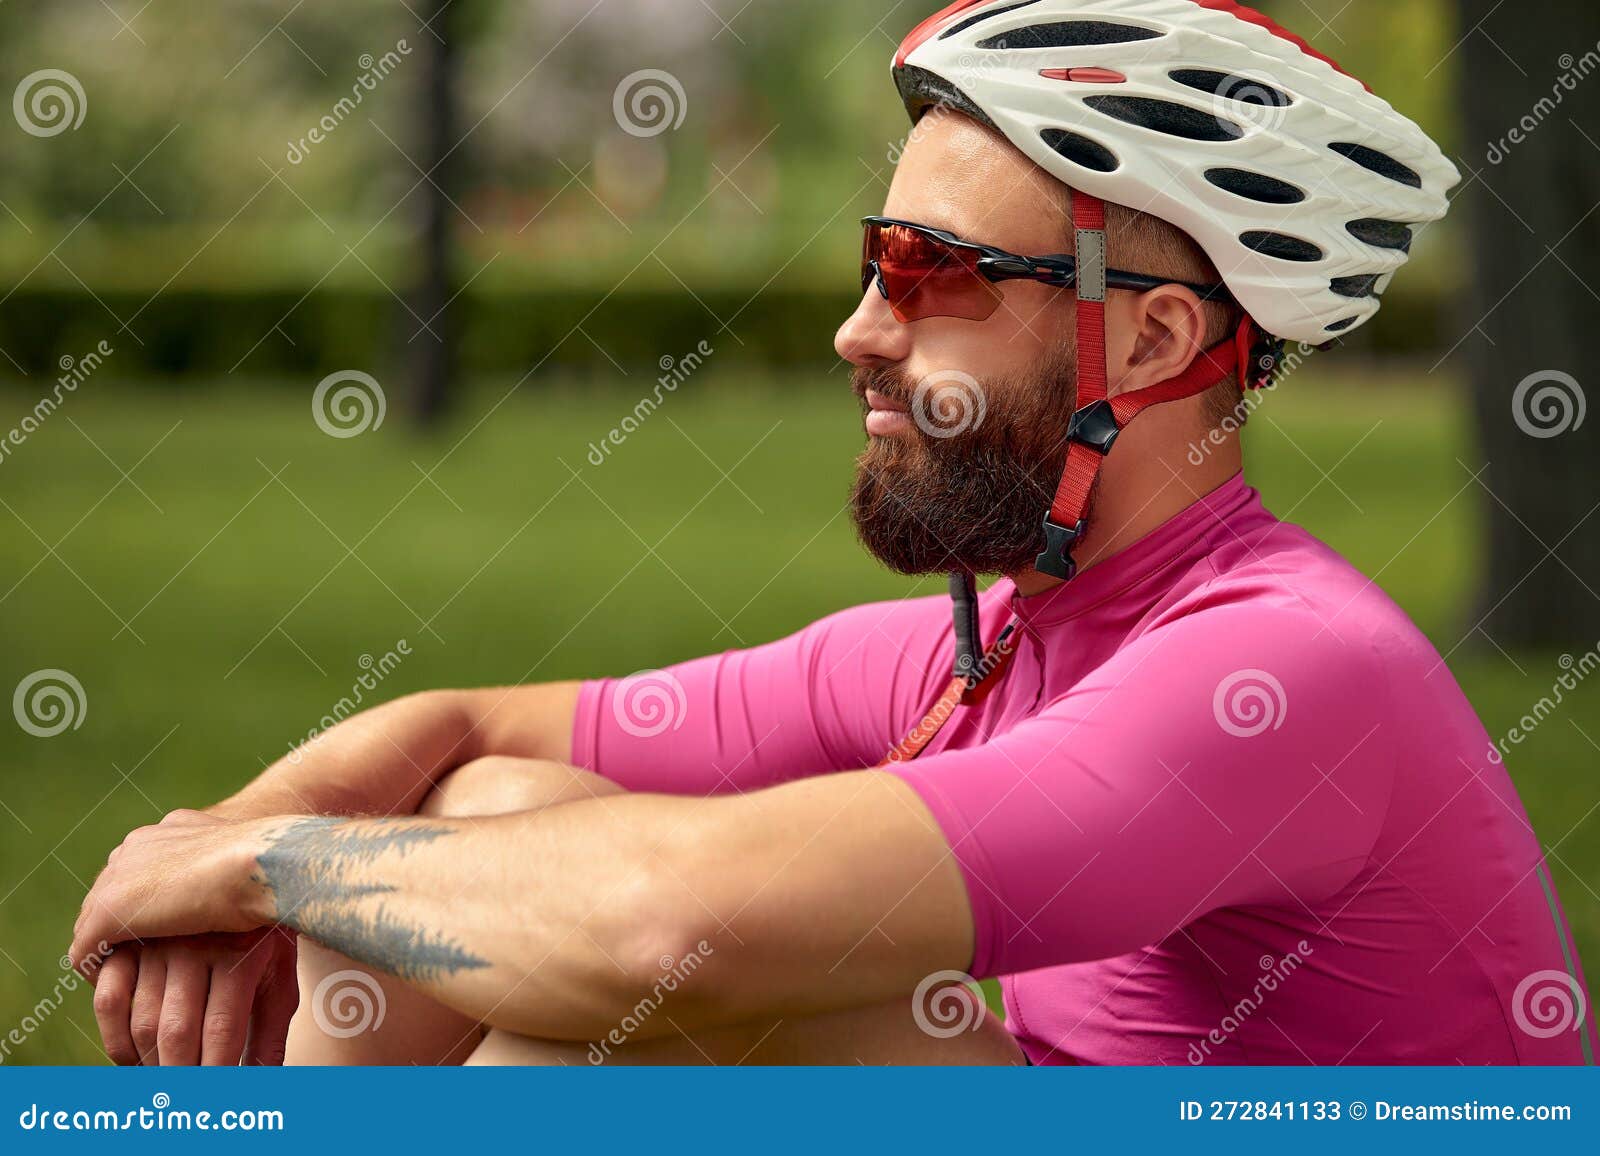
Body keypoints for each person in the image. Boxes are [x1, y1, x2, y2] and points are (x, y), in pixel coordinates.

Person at [74, 0, 1594, 1067]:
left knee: (655, 1013)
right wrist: (210, 855)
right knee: (485, 815)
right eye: (873, 266)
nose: (860, 334)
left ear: (1149, 344)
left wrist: (270, 867)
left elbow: (671, 931)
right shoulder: (990, 649)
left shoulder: (1284, 674)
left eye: (931, 276)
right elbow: (455, 724)